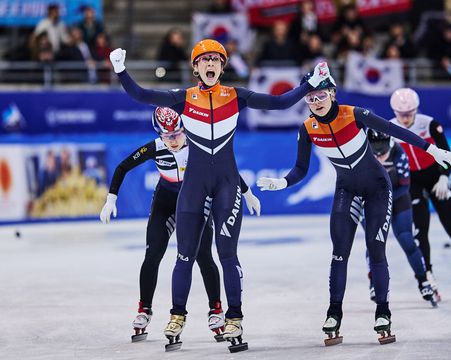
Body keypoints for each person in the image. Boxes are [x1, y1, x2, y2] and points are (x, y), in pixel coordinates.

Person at [109, 39, 330, 351]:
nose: (210, 64)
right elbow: (142, 95)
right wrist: (121, 71)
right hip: (194, 185)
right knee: (184, 255)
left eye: (216, 59)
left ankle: (234, 317)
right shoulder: (182, 98)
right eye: (205, 60)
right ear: (196, 67)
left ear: (222, 67)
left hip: (226, 183)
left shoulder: (236, 96)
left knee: (227, 255)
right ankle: (177, 315)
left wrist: (307, 83)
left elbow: (280, 103)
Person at [256, 76, 451, 345]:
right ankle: (333, 312)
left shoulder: (355, 114)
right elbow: (301, 169)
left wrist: (431, 149)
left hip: (377, 189)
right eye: (310, 98)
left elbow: (393, 131)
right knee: (339, 254)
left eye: (321, 96)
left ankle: (383, 311)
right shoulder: (307, 128)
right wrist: (283, 182)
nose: (316, 102)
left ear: (333, 94)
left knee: (376, 249)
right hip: (346, 190)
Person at [99, 107, 261, 342]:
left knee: (204, 255)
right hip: (166, 200)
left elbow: (227, 168)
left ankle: (215, 309)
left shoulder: (198, 145)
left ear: (185, 129)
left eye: (177, 134)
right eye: (167, 137)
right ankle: (144, 309)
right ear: (159, 135)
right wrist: (111, 197)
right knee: (153, 254)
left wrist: (246, 193)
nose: (173, 141)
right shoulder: (154, 147)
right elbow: (123, 166)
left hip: (195, 199)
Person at [389, 88, 451, 300]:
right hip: (412, 181)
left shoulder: (429, 124)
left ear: (416, 110)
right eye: (400, 114)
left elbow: (447, 154)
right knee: (420, 230)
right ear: (394, 111)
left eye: (409, 114)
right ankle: (428, 274)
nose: (405, 119)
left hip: (436, 178)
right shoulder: (390, 128)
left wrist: (444, 176)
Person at [363, 129, 436, 307]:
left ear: (390, 145)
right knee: (374, 244)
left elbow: (405, 186)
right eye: (375, 153)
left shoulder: (398, 151)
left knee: (406, 239)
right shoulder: (361, 154)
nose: (379, 157)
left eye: (383, 153)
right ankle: (374, 283)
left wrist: (384, 200)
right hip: (372, 201)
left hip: (398, 198)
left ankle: (423, 280)